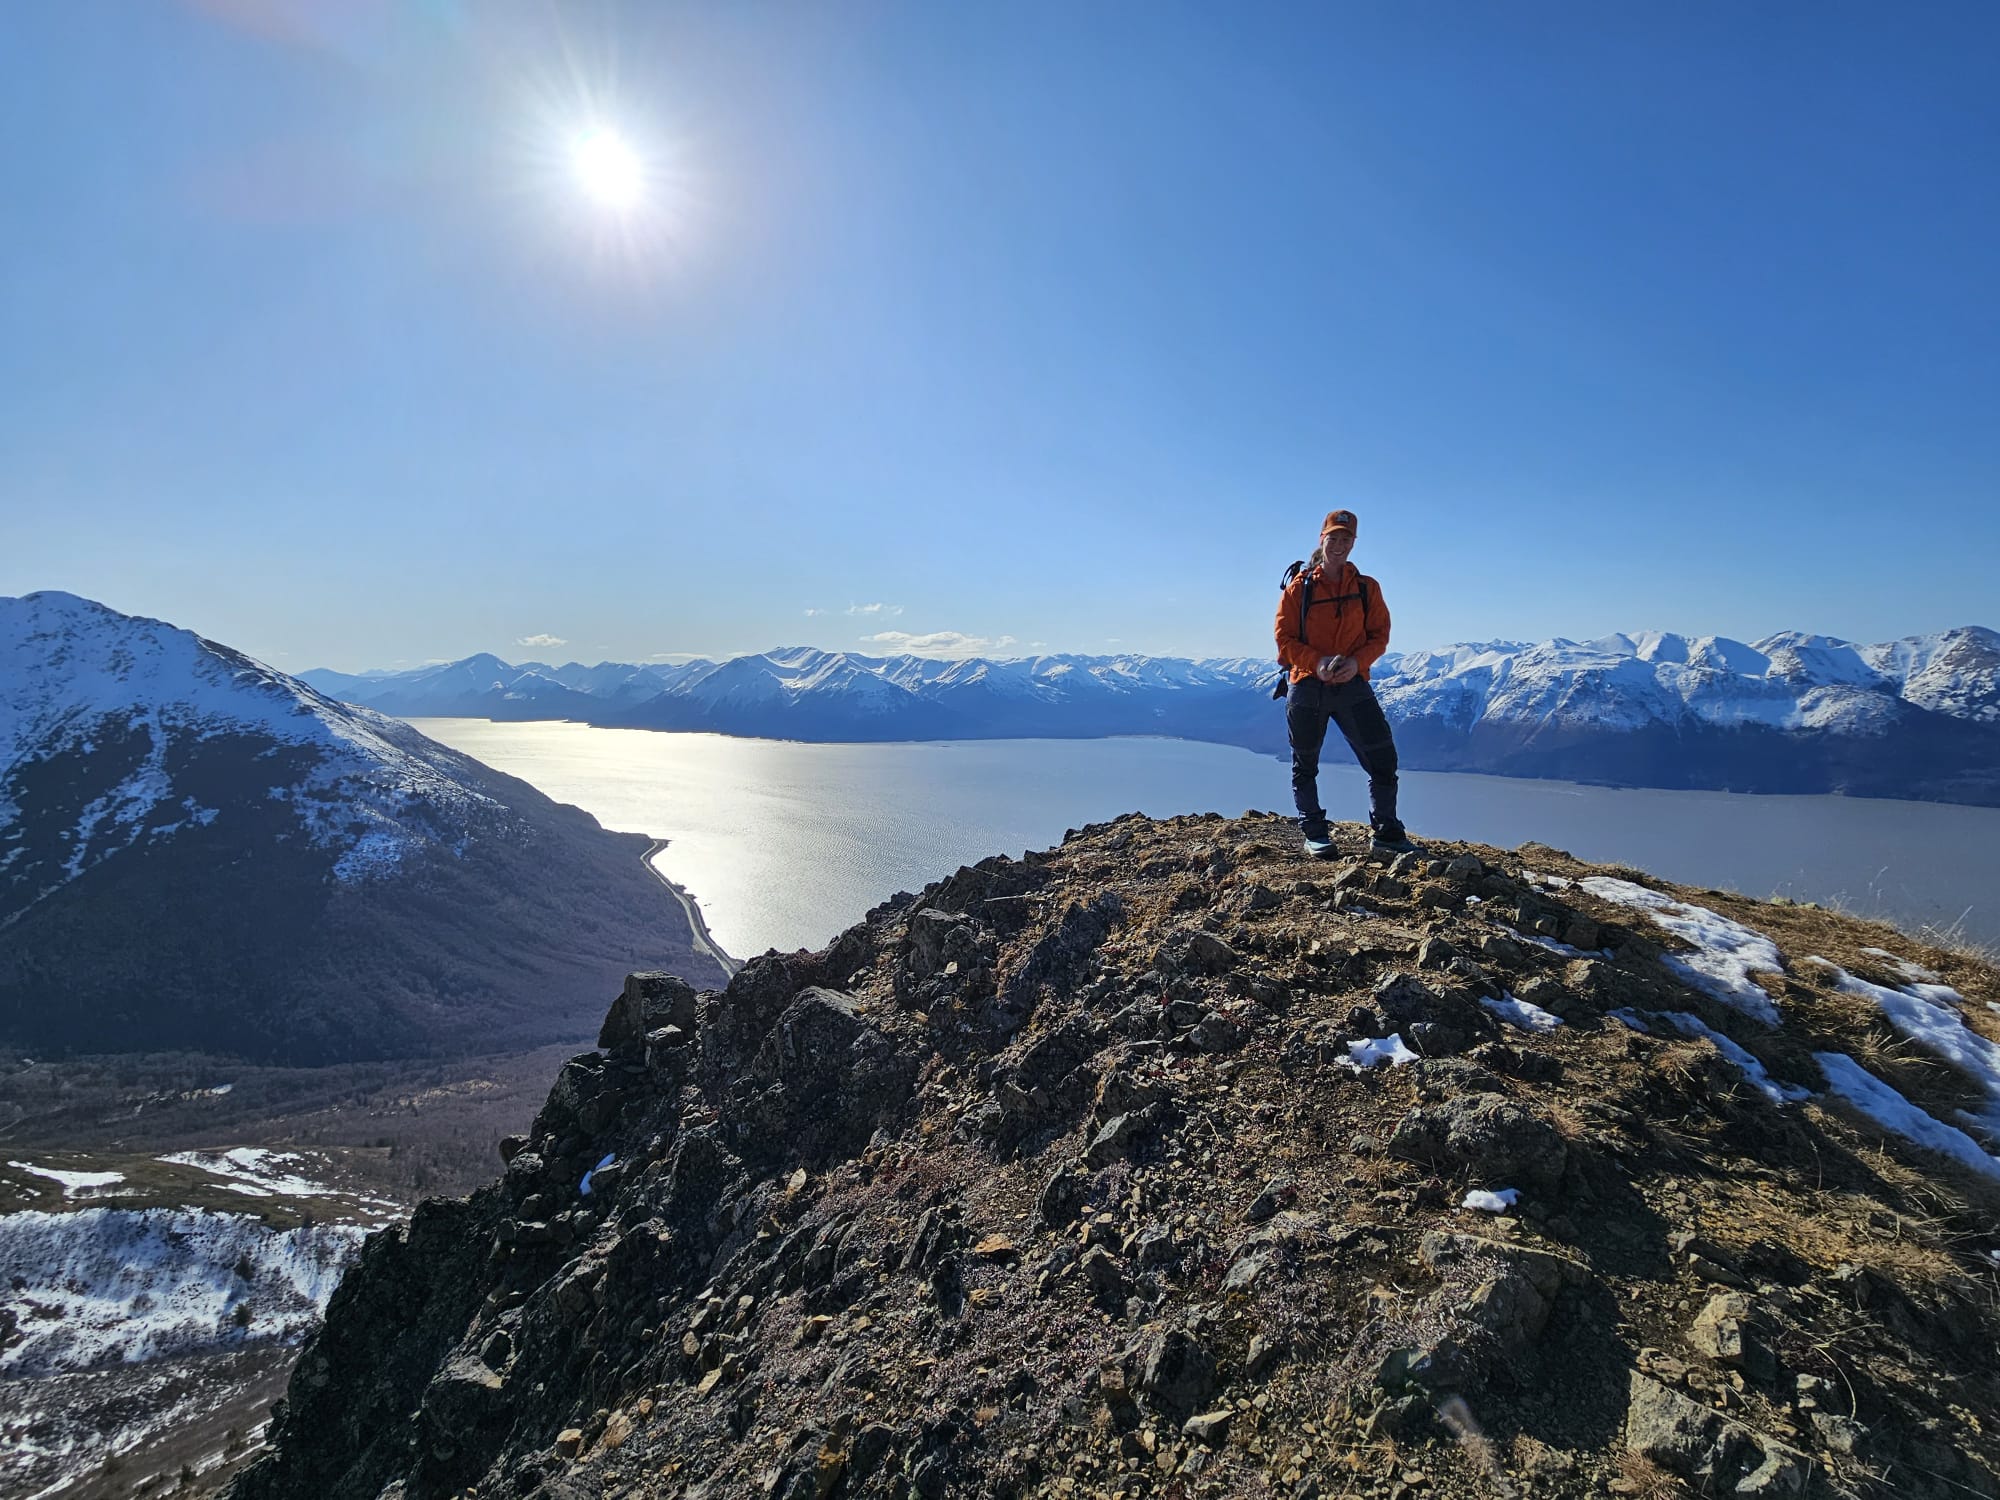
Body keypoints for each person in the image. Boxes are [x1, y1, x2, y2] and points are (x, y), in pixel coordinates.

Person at [1273, 508, 1413, 857]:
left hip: (1352, 684)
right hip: (1307, 685)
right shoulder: (1299, 589)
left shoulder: (1367, 588)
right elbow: (1284, 639)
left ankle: (1387, 833)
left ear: (1354, 543)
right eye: (1333, 537)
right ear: (1322, 540)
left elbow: (1379, 636)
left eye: (1345, 539)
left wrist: (1357, 662)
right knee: (1305, 764)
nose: (1339, 544)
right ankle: (1315, 833)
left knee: (1383, 760)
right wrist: (1316, 663)